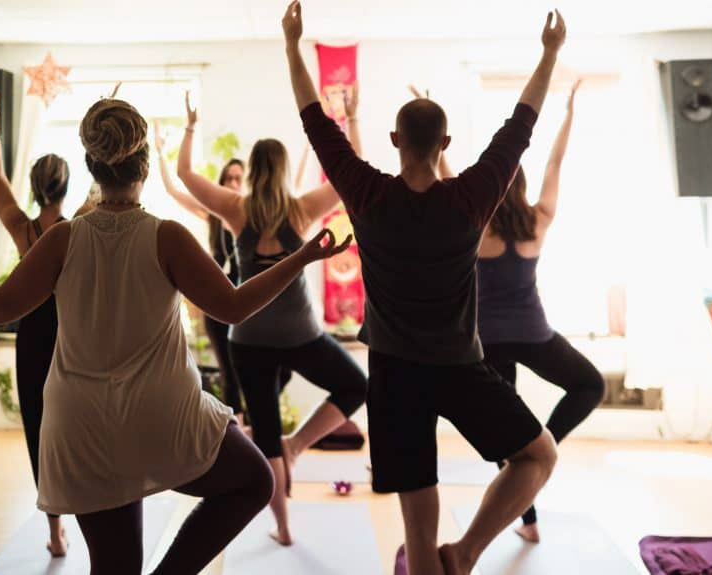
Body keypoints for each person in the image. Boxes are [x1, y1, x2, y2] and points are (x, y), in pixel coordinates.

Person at [0, 96, 351, 574]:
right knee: (254, 481)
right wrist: (298, 259)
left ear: (92, 165)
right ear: (146, 169)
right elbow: (233, 307)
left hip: (82, 424)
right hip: (163, 416)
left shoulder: (63, 239)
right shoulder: (166, 236)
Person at [284, 2, 564, 573]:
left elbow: (316, 122)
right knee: (538, 456)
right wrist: (549, 53)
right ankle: (464, 553)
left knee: (416, 534)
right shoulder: (470, 197)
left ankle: (445, 558)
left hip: (394, 372)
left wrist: (292, 46)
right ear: (445, 144)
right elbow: (521, 127)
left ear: (393, 139)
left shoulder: (368, 195)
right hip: (460, 367)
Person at [177, 90, 368, 546]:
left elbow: (185, 174)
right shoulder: (299, 210)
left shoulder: (236, 209)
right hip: (301, 335)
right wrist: (353, 118)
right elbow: (352, 170)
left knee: (264, 436)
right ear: (281, 170)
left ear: (255, 169)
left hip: (250, 341)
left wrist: (189, 127)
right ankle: (298, 445)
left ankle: (283, 528)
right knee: (357, 385)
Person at [474, 80, 605, 543]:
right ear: (523, 186)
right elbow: (555, 162)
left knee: (506, 430)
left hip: (486, 340)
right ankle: (541, 449)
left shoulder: (476, 223)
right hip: (533, 334)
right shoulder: (538, 219)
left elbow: (449, 174)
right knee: (592, 384)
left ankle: (530, 471)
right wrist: (568, 114)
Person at [0, 89, 70, 556]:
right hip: (70, 339)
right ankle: (88, 522)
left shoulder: (21, 227)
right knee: (73, 430)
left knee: (40, 432)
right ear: (68, 188)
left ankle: (54, 533)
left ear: (34, 187)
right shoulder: (81, 224)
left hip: (33, 337)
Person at [154, 123, 248, 419]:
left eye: (238, 178)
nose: (233, 183)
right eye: (228, 178)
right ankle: (235, 434)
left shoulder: (254, 214)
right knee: (230, 373)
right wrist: (160, 151)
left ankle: (253, 435)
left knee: (251, 374)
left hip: (248, 300)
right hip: (220, 298)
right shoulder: (213, 212)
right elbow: (173, 190)